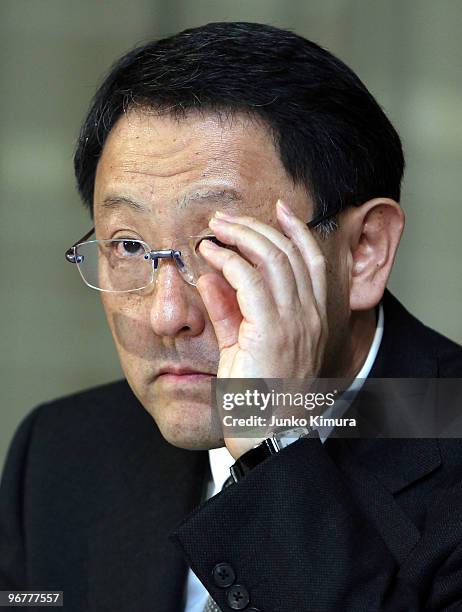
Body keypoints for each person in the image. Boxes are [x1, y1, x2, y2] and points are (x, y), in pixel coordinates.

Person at [1, 21, 461, 612]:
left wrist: (270, 434)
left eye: (224, 247)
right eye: (130, 247)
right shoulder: (63, 451)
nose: (168, 315)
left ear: (362, 251)